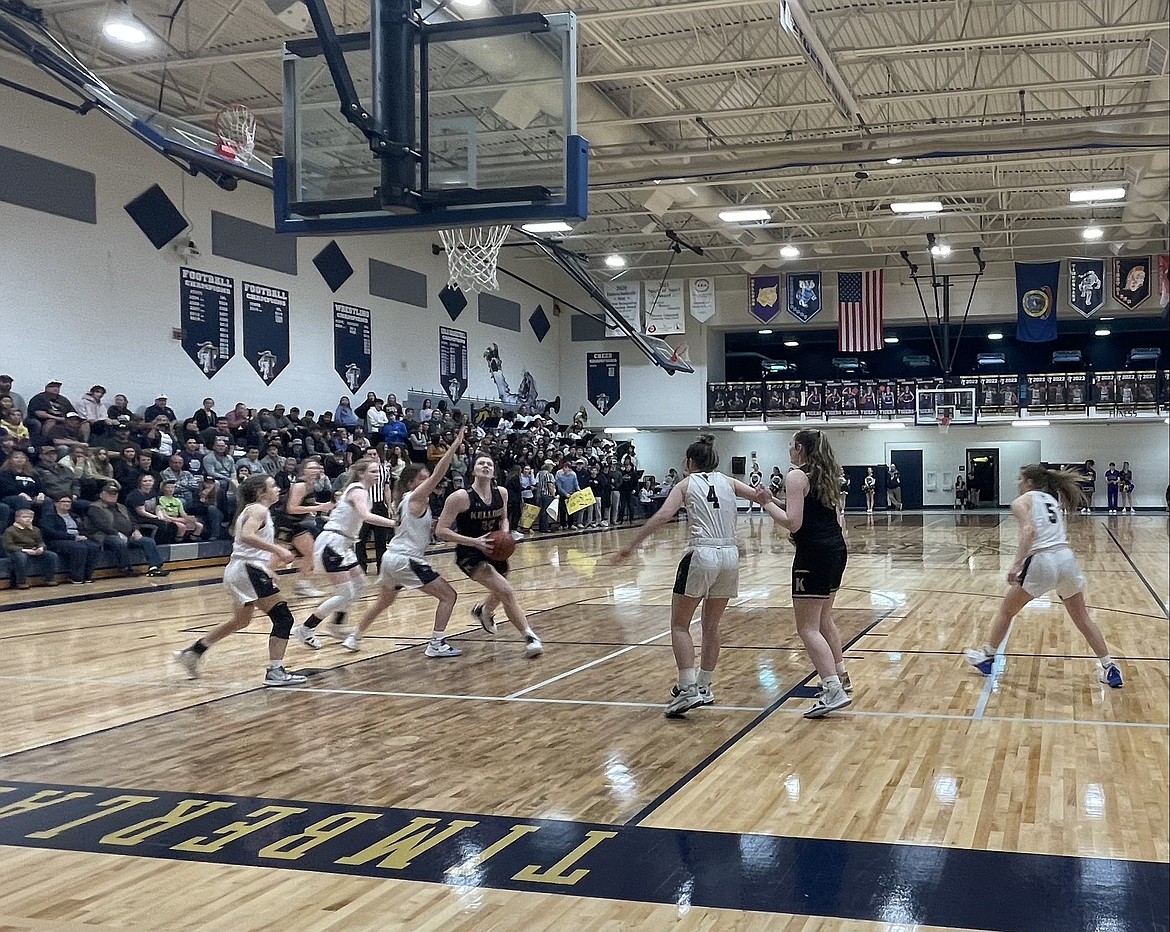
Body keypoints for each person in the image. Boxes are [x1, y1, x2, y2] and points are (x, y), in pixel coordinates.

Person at [614, 435, 768, 716]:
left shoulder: (685, 485)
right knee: (711, 626)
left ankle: (687, 689)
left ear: (689, 461)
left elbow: (662, 517)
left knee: (680, 625)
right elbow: (761, 497)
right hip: (730, 556)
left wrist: (632, 546)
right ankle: (704, 685)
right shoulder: (729, 482)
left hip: (701, 554)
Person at [965, 465, 1123, 689]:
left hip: (1043, 561)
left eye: (1020, 479)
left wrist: (1017, 564)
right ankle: (1110, 667)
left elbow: (1029, 531)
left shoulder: (1022, 501)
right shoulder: (1052, 501)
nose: (1018, 483)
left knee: (1007, 610)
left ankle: (988, 656)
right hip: (1066, 559)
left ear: (1029, 482)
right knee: (1083, 619)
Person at [174, 475, 306, 687]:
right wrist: (278, 549)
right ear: (261, 492)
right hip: (247, 569)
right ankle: (275, 671)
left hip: (241, 569)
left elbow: (247, 544)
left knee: (241, 621)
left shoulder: (256, 510)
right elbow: (246, 535)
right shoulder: (258, 509)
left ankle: (194, 651)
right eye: (272, 486)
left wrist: (267, 568)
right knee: (283, 618)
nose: (278, 488)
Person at [346, 427, 467, 654]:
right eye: (423, 479)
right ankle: (436, 644)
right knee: (449, 596)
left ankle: (354, 636)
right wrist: (453, 447)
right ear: (412, 483)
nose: (428, 482)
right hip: (406, 559)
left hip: (391, 557)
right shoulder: (416, 496)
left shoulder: (406, 500)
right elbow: (438, 474)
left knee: (384, 601)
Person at [761, 429, 852, 718]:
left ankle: (832, 689)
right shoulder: (826, 475)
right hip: (836, 549)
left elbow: (793, 523)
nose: (788, 448)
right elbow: (806, 511)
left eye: (791, 444)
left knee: (807, 628)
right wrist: (771, 500)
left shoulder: (795, 476)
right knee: (824, 618)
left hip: (812, 553)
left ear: (799, 447)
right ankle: (841, 675)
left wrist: (765, 504)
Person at [435, 453, 543, 656]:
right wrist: (475, 542)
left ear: (494, 471)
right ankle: (530, 637)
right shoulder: (460, 497)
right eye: (481, 463)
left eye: (489, 464)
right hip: (470, 552)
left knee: (500, 592)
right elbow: (440, 530)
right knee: (507, 591)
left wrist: (504, 532)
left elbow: (504, 519)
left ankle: (484, 612)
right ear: (473, 469)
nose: (485, 466)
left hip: (495, 549)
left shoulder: (501, 493)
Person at [293, 460, 397, 648]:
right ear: (361, 473)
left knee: (358, 584)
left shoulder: (360, 491)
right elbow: (365, 515)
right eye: (373, 471)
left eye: (378, 471)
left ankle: (337, 624)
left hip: (344, 543)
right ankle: (306, 628)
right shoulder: (358, 491)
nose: (377, 474)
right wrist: (394, 523)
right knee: (344, 593)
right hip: (333, 542)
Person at [84, 482, 169, 577]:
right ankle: (125, 567)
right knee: (119, 541)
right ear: (101, 495)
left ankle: (155, 567)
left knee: (148, 541)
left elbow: (133, 521)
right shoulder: (94, 507)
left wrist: (136, 531)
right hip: (103, 535)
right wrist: (117, 533)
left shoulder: (122, 507)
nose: (113, 496)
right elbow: (102, 525)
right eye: (109, 493)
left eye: (115, 494)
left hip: (127, 535)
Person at [275, 456, 332, 598]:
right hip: (285, 523)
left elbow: (305, 504)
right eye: (311, 467)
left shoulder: (311, 484)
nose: (315, 470)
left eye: (317, 467)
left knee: (311, 552)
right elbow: (291, 508)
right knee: (277, 558)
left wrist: (322, 506)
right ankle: (258, 584)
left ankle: (303, 585)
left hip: (296, 524)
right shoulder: (300, 485)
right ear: (303, 471)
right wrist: (319, 507)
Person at [41, 494, 102, 583]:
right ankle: (76, 577)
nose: (67, 504)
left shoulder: (74, 516)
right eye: (64, 501)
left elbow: (82, 529)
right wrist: (73, 537)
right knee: (79, 548)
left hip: (77, 538)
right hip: (58, 540)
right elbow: (50, 532)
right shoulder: (49, 516)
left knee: (94, 546)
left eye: (69, 502)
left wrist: (84, 536)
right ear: (56, 503)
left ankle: (88, 576)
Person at [3, 507, 61, 588]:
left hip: (33, 550)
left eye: (30, 517)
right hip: (17, 551)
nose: (28, 519)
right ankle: (21, 582)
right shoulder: (10, 530)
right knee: (21, 557)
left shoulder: (36, 530)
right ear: (17, 519)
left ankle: (49, 579)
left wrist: (41, 548)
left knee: (51, 555)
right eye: (24, 517)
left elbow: (40, 542)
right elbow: (8, 546)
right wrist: (25, 550)